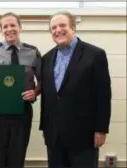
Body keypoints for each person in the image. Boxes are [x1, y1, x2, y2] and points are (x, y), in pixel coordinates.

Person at [39, 11, 112, 168]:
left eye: (62, 25)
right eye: (54, 27)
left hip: (83, 136)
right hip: (54, 136)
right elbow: (48, 95)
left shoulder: (95, 54)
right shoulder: (46, 58)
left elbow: (103, 95)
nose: (58, 30)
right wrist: (45, 127)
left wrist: (101, 129)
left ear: (73, 28)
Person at [0, 12, 41, 168]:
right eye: (5, 26)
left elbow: (42, 82)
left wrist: (35, 92)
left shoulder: (33, 52)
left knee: (17, 156)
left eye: (13, 25)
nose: (9, 29)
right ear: (1, 30)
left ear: (20, 28)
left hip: (22, 110)